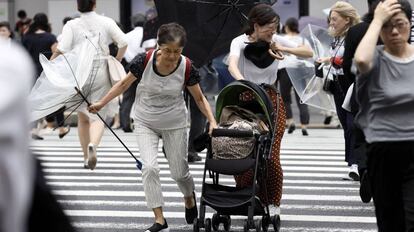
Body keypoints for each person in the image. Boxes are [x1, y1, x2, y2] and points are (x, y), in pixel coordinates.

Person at [88, 22, 217, 232]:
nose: (172, 56)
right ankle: (159, 219)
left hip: (174, 122)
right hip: (145, 120)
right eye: (168, 51)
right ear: (159, 45)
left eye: (177, 51)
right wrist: (101, 103)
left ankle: (189, 198)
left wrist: (212, 120)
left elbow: (200, 99)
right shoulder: (144, 60)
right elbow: (123, 85)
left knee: (179, 173)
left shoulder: (187, 66)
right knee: (149, 168)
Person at [227, 3, 313, 216]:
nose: (272, 31)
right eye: (269, 27)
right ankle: (247, 195)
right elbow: (232, 65)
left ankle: (272, 202)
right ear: (256, 25)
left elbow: (308, 52)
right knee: (243, 153)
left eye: (275, 27)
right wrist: (243, 82)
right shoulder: (239, 41)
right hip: (245, 98)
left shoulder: (276, 41)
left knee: (271, 156)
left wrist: (283, 48)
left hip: (271, 100)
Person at [354, 0, 414, 231]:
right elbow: (361, 60)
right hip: (383, 150)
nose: (395, 31)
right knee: (391, 222)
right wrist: (377, 19)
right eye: (387, 26)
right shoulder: (374, 58)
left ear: (410, 24)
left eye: (400, 24)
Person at [50, 0, 127, 170]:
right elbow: (123, 42)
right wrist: (117, 59)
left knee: (83, 117)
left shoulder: (72, 24)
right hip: (101, 69)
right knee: (98, 115)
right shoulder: (106, 22)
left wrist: (50, 65)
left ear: (78, 6)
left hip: (79, 71)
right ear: (94, 4)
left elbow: (62, 48)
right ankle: (93, 145)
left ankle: (85, 156)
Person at [342, 0, 381, 203]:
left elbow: (348, 64)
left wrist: (356, 83)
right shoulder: (393, 28)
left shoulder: (356, 30)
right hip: (387, 90)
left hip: (361, 88)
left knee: (361, 134)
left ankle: (364, 168)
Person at [317, 1, 361, 181]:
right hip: (337, 85)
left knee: (353, 124)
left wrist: (333, 60)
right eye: (330, 19)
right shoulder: (336, 37)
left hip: (352, 84)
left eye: (334, 19)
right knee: (345, 125)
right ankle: (352, 163)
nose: (331, 23)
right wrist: (322, 63)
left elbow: (356, 61)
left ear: (347, 19)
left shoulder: (355, 35)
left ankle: (357, 164)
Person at [22, 13, 71, 140]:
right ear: (46, 23)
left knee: (32, 100)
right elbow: (57, 53)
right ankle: (61, 127)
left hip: (30, 72)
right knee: (55, 99)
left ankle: (34, 128)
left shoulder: (27, 37)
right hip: (46, 72)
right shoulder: (50, 37)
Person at [278, 17, 311, 136]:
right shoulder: (303, 40)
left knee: (285, 99)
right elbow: (309, 54)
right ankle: (304, 125)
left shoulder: (282, 39)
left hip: (285, 70)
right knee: (302, 98)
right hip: (299, 70)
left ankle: (290, 121)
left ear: (286, 27)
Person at [119, 13, 146, 133]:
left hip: (130, 66)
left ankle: (125, 124)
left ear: (133, 23)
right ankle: (146, 124)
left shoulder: (126, 36)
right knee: (146, 96)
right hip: (145, 67)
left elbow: (123, 51)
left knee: (128, 96)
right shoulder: (148, 35)